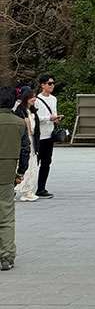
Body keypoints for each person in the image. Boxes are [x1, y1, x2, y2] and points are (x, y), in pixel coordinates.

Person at [0, 86, 26, 271]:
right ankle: (7, 256)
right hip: (7, 173)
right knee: (6, 216)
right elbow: (25, 150)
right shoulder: (19, 123)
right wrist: (20, 172)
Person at [33, 76, 61, 198]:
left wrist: (56, 119)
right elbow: (35, 117)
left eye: (53, 83)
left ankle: (41, 188)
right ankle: (25, 186)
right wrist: (48, 118)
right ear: (42, 85)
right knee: (34, 163)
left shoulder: (54, 99)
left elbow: (53, 113)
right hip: (39, 135)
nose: (52, 85)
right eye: (49, 83)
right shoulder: (37, 99)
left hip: (50, 134)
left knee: (46, 162)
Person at [13, 89, 38, 202]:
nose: (34, 99)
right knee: (25, 164)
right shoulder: (20, 110)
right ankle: (23, 190)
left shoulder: (31, 110)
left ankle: (28, 190)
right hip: (24, 141)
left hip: (32, 141)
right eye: (32, 97)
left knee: (32, 166)